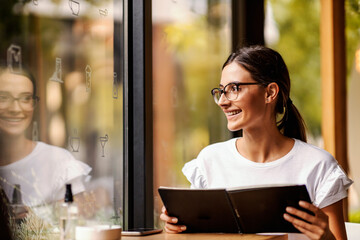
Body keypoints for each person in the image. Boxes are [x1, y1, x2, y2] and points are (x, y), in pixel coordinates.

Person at [160, 45, 353, 240]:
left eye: (234, 89)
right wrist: (177, 227)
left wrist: (326, 237)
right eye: (221, 91)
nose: (222, 101)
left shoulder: (318, 166)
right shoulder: (210, 161)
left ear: (270, 93)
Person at [0, 66, 91, 208]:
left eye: (25, 98)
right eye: (3, 98)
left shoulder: (57, 162)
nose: (15, 109)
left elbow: (74, 224)